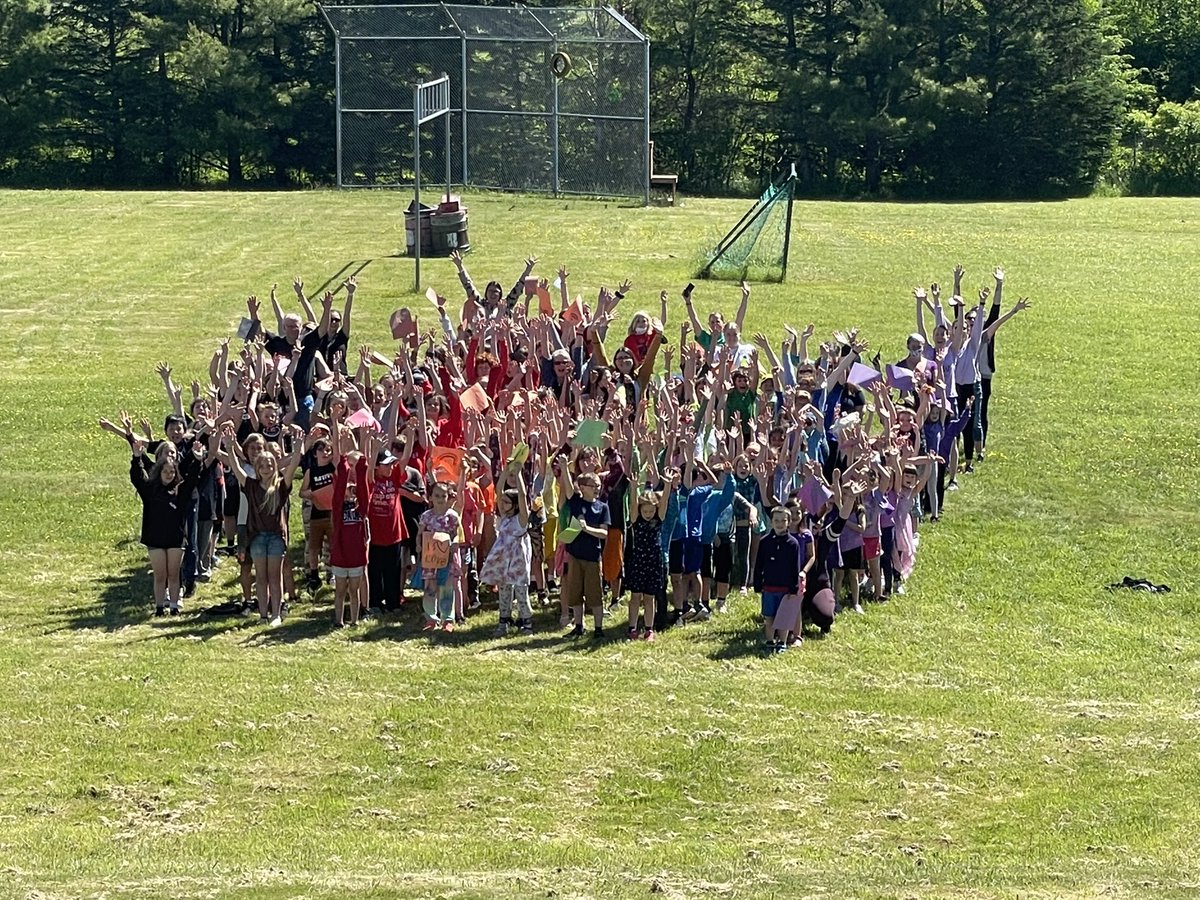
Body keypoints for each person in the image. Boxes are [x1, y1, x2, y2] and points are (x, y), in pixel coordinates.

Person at [128, 435, 210, 615]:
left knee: (173, 575)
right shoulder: (150, 491)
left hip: (175, 539)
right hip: (155, 539)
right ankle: (159, 607)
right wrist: (136, 458)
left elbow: (193, 480)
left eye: (172, 472)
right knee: (160, 576)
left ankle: (174, 606)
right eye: (165, 471)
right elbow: (137, 478)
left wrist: (197, 460)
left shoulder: (180, 491)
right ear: (159, 472)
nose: (168, 474)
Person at [624, 466, 675, 641]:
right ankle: (632, 628)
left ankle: (649, 629)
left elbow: (665, 502)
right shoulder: (635, 519)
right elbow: (632, 505)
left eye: (651, 511)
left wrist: (667, 485)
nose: (648, 514)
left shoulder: (658, 518)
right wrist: (633, 488)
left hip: (653, 561)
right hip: (638, 561)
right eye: (645, 511)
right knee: (635, 597)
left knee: (650, 597)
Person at [481, 469, 533, 636]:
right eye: (502, 502)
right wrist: (504, 472)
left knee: (521, 591)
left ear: (516, 504)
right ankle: (504, 621)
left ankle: (526, 622)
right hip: (503, 560)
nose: (502, 505)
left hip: (518, 561)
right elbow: (498, 490)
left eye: (506, 502)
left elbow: (523, 495)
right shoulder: (504, 517)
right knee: (504, 590)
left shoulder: (521, 519)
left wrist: (518, 474)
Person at [559, 471, 610, 639]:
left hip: (593, 557)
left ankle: (598, 628)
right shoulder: (576, 503)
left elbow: (604, 533)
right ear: (582, 487)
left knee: (595, 594)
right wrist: (564, 467)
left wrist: (586, 528)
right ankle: (579, 626)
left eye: (598, 485)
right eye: (592, 486)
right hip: (575, 555)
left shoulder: (602, 507)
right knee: (575, 592)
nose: (597, 488)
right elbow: (568, 487)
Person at [329, 422, 370, 627]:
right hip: (340, 555)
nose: (349, 492)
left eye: (352, 490)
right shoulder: (337, 509)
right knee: (340, 591)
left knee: (354, 590)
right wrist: (344, 460)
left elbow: (363, 489)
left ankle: (354, 620)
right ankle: (339, 620)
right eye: (347, 489)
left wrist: (361, 463)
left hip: (356, 556)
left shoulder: (361, 509)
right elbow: (339, 490)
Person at [753, 506, 805, 654]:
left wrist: (794, 588)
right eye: (776, 520)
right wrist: (757, 583)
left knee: (784, 617)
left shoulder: (793, 544)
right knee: (769, 616)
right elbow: (759, 564)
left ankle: (782, 642)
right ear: (771, 521)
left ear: (789, 522)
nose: (780, 523)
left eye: (783, 520)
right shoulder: (765, 542)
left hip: (785, 589)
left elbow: (795, 567)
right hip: (768, 587)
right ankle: (770, 641)